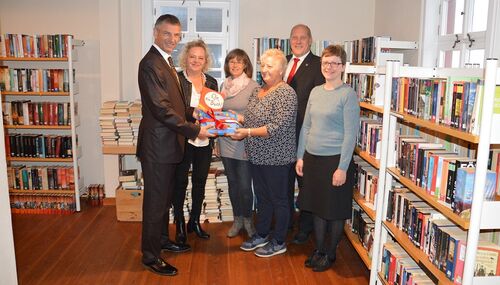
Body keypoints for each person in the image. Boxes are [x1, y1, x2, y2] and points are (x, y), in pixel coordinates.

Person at [137, 14, 213, 276]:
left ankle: (161, 241)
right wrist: (196, 129)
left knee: (164, 199)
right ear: (155, 33)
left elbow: (176, 104)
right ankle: (150, 256)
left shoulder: (165, 62)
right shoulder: (150, 64)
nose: (172, 39)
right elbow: (161, 109)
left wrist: (196, 112)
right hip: (158, 148)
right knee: (155, 203)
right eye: (167, 33)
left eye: (177, 35)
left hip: (169, 147)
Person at [295, 45, 360, 272]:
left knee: (333, 210)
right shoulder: (316, 92)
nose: (329, 67)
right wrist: (300, 156)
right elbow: (306, 127)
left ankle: (330, 253)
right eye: (325, 63)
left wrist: (342, 167)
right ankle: (320, 249)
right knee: (316, 208)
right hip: (312, 159)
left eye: (334, 63)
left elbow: (351, 134)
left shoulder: (348, 95)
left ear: (342, 66)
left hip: (334, 162)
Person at [230, 48, 297, 258]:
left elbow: (276, 126)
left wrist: (247, 131)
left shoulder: (286, 92)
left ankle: (278, 241)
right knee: (263, 198)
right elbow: (252, 118)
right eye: (262, 65)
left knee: (279, 200)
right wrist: (238, 118)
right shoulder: (258, 90)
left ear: (281, 70)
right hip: (257, 155)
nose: (264, 70)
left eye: (270, 66)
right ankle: (262, 234)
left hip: (277, 157)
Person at [173, 39, 219, 244]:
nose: (196, 60)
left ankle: (194, 222)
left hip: (205, 141)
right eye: (192, 56)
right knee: (180, 182)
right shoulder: (177, 79)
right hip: (184, 139)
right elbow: (174, 111)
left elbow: (215, 113)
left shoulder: (211, 82)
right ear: (186, 57)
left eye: (201, 57)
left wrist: (217, 130)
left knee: (200, 182)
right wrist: (194, 114)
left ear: (206, 60)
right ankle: (180, 224)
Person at [285, 24, 325, 244]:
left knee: (305, 185)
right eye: (294, 37)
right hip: (281, 136)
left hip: (304, 135)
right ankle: (287, 221)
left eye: (302, 38)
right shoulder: (283, 62)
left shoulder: (319, 64)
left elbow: (319, 104)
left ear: (310, 40)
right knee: (284, 182)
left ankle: (305, 227)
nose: (298, 41)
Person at [218, 49, 259, 238]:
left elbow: (257, 117)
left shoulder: (253, 87)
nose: (235, 65)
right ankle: (237, 220)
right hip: (225, 141)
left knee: (244, 186)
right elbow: (216, 114)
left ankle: (249, 221)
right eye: (231, 61)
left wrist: (240, 118)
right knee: (232, 184)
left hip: (244, 143)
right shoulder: (223, 86)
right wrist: (217, 141)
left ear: (245, 65)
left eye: (239, 61)